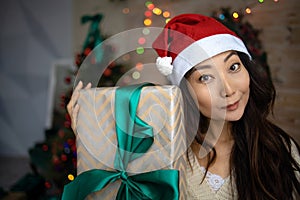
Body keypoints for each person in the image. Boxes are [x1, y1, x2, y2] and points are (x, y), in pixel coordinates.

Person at [67, 14, 300, 199]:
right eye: (205, 78)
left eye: (233, 67)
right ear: (185, 92)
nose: (228, 90)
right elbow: (108, 195)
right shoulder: (163, 154)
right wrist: (92, 141)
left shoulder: (279, 150)